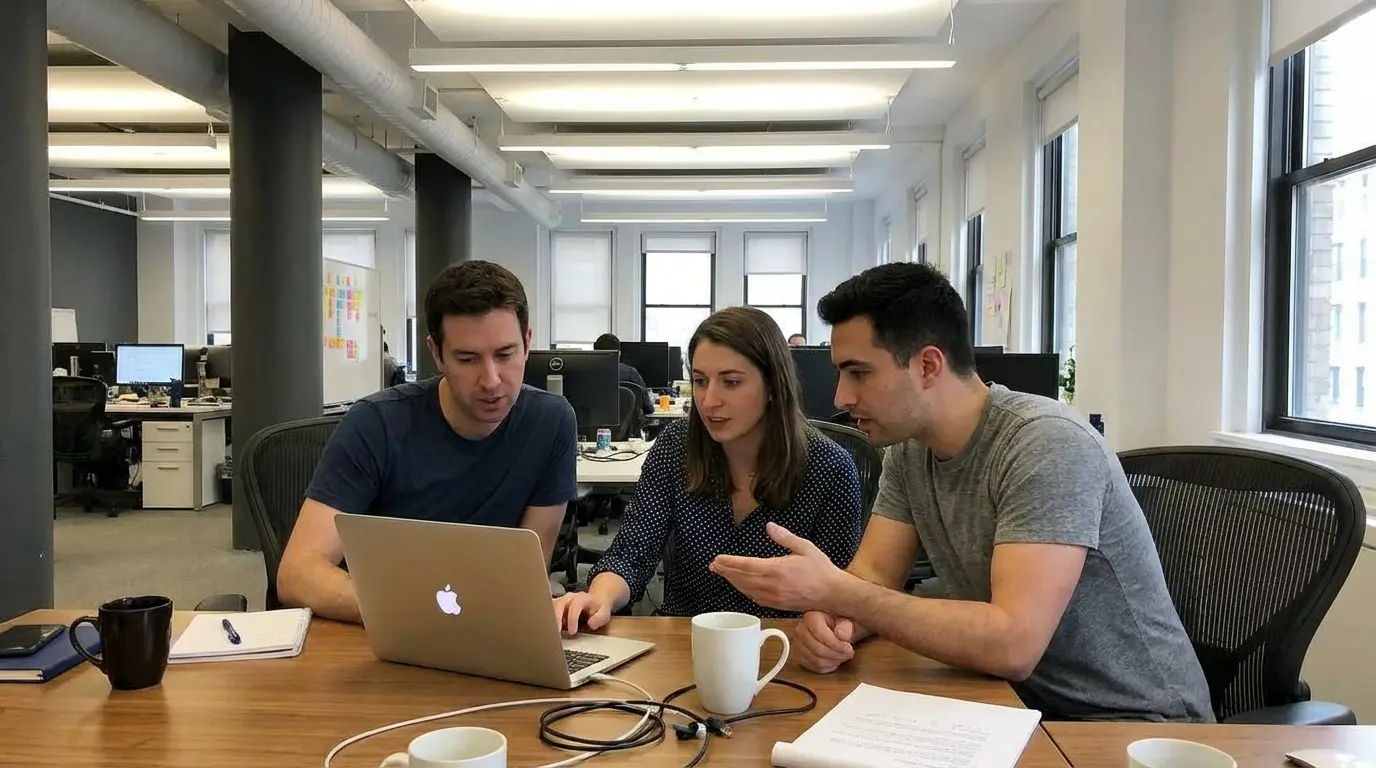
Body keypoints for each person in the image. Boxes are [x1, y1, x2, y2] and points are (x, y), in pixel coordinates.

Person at [709, 263, 1214, 723]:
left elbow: (1013, 642)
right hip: (1011, 703)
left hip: (1129, 723)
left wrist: (838, 593)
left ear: (928, 365)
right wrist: (833, 624)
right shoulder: (910, 451)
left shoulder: (1046, 443)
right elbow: (875, 577)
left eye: (859, 372)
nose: (841, 396)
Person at [277, 261, 578, 624]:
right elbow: (297, 573)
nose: (492, 380)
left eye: (505, 354)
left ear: (528, 342)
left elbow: (528, 572)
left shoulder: (551, 422)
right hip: (386, 633)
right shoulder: (377, 424)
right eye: (467, 359)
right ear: (436, 353)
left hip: (488, 629)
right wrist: (421, 613)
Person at [555, 307, 863, 632]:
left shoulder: (829, 467)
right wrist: (599, 598)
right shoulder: (677, 445)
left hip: (787, 645)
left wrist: (830, 628)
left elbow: (842, 591)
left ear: (773, 385)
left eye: (731, 382)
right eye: (700, 381)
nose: (709, 400)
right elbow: (631, 552)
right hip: (687, 642)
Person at [593, 333, 654, 414]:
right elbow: (648, 408)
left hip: (594, 425)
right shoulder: (631, 373)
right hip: (628, 426)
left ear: (595, 353)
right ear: (619, 353)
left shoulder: (586, 374)